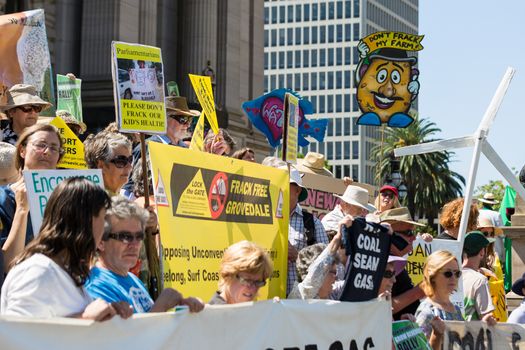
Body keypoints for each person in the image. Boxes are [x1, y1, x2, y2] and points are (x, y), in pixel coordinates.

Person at [1, 177, 132, 320]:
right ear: (86, 221)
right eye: (104, 219)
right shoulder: (38, 272)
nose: (107, 228)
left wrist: (109, 314)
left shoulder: (66, 273)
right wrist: (83, 319)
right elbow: (16, 335)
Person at [85, 196, 203, 313]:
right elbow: (127, 332)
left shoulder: (134, 281)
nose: (134, 244)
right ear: (100, 241)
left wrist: (185, 309)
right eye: (125, 237)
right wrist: (162, 306)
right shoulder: (96, 286)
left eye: (139, 236)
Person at [0, 124, 64, 269]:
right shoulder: (3, 198)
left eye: (54, 148)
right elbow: (7, 265)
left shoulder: (65, 199)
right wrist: (22, 210)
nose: (47, 152)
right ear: (22, 150)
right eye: (40, 145)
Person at [121, 95, 200, 196]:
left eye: (190, 119)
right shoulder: (147, 147)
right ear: (164, 119)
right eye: (183, 119)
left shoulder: (187, 149)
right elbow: (128, 188)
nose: (188, 125)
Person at [286, 166, 328, 295]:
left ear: (297, 191)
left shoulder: (312, 223)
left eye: (284, 184)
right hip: (266, 298)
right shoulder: (264, 217)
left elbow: (327, 263)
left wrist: (298, 256)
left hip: (298, 301)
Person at [379, 207, 427, 320]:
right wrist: (419, 291)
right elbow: (379, 307)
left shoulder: (395, 263)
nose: (414, 238)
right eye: (409, 232)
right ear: (391, 235)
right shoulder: (380, 265)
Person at [289, 216, 351, 299]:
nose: (336, 277)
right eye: (332, 272)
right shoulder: (301, 295)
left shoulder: (333, 294)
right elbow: (319, 268)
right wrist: (338, 236)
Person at [415, 250, 464, 350]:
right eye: (448, 273)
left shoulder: (456, 309)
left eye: (457, 273)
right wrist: (436, 336)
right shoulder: (427, 312)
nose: (454, 278)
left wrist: (485, 326)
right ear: (432, 276)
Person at [209, 240, 273, 305]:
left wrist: (278, 309)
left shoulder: (247, 310)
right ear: (228, 276)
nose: (253, 288)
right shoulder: (214, 313)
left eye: (258, 282)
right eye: (246, 280)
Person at [462, 231, 497, 324]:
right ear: (482, 252)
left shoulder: (451, 275)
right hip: (472, 336)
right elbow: (486, 316)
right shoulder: (480, 280)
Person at [84, 131, 133, 195]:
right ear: (101, 165)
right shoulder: (92, 201)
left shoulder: (119, 198)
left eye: (130, 160)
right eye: (121, 161)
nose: (130, 167)